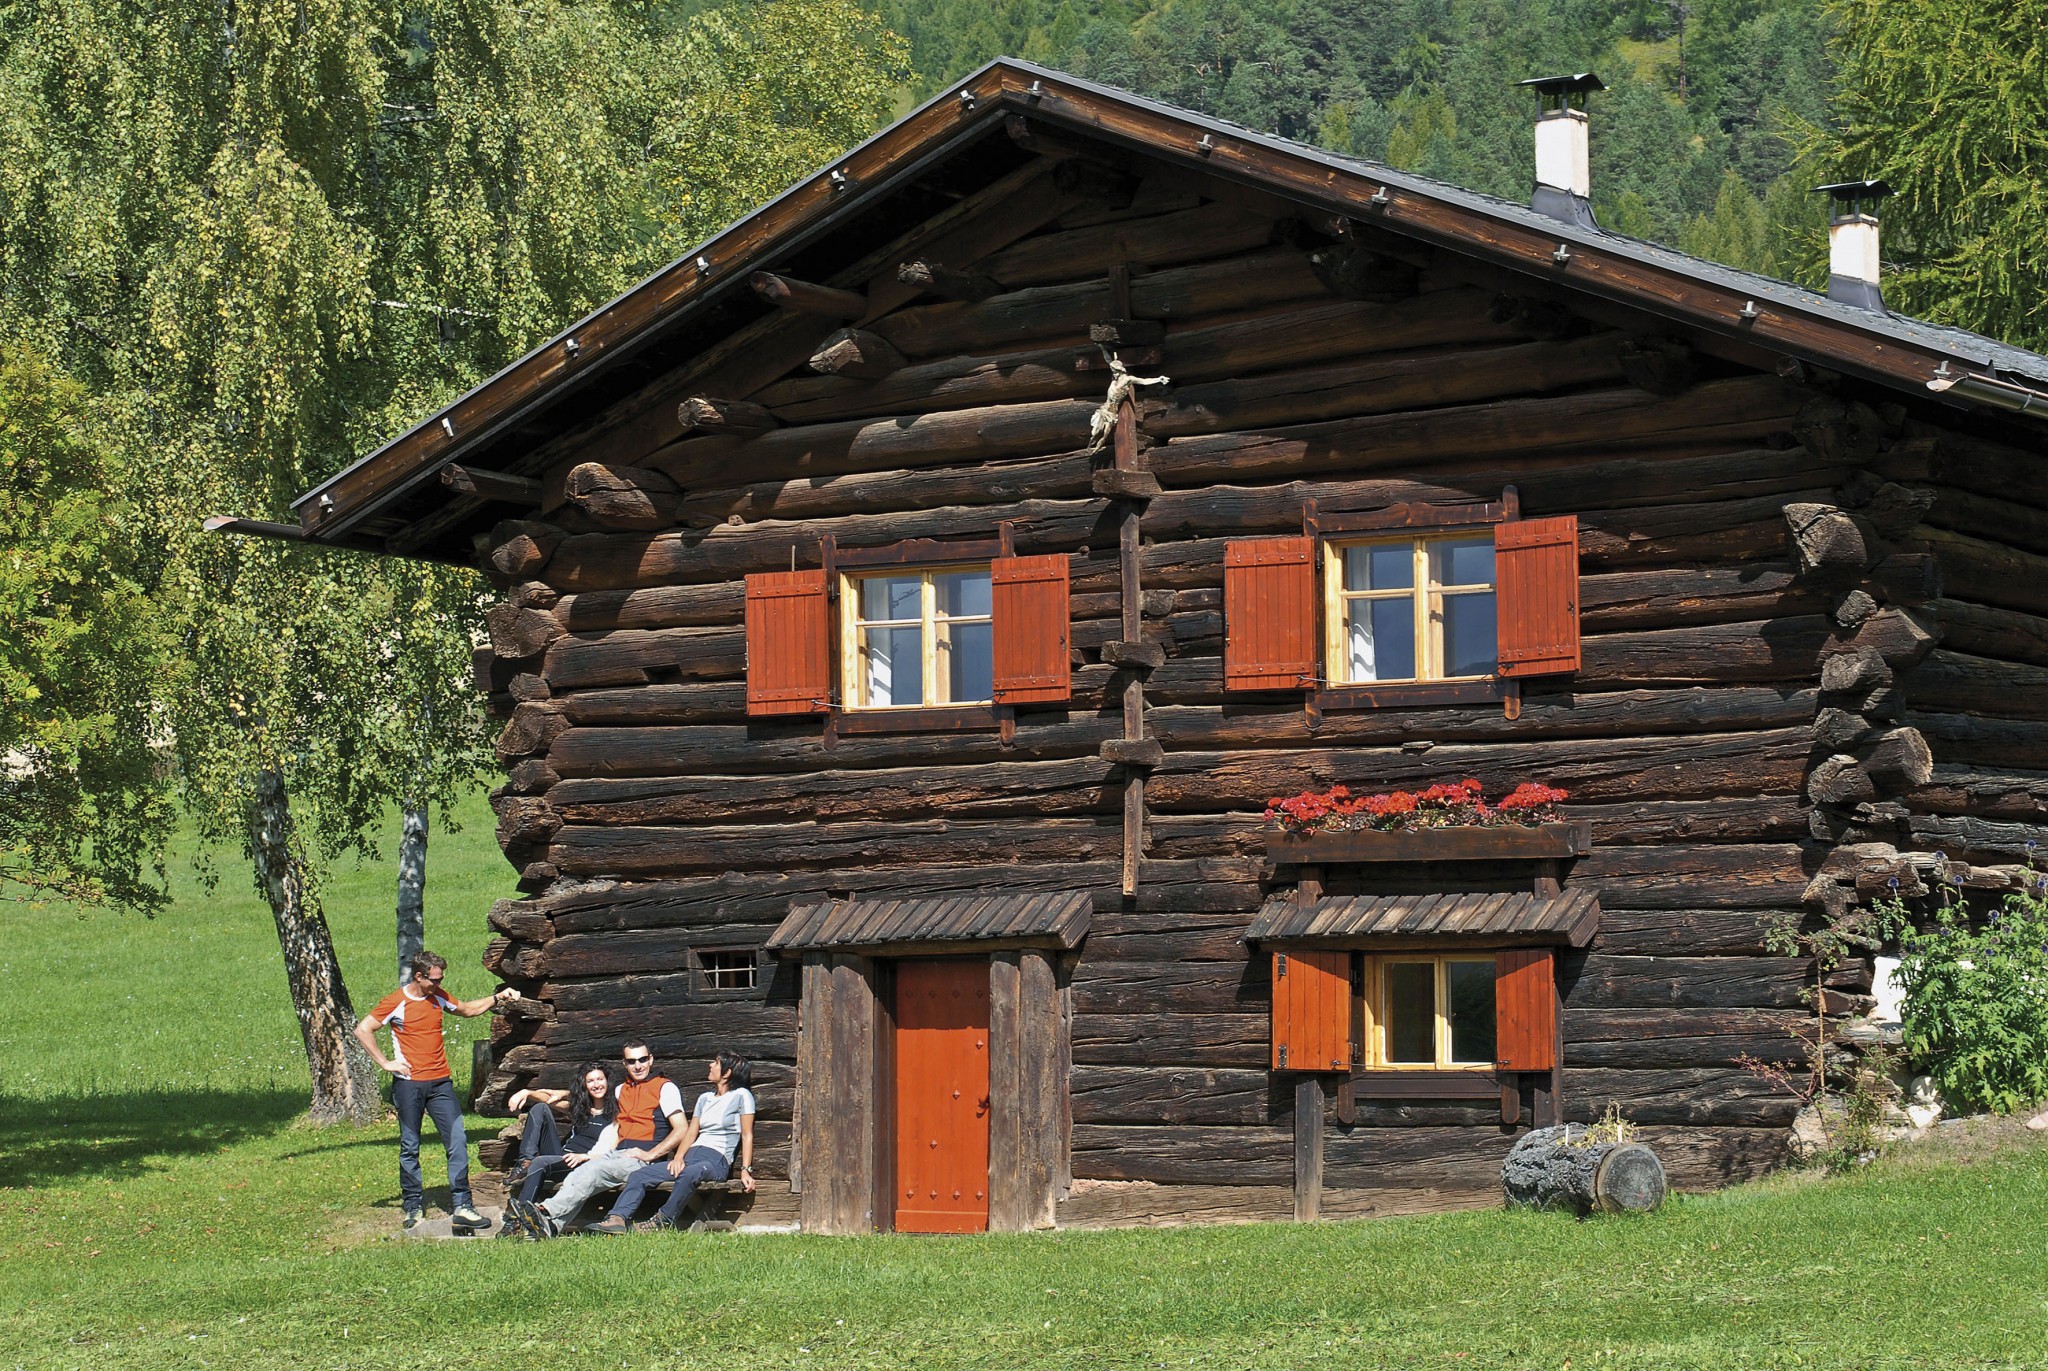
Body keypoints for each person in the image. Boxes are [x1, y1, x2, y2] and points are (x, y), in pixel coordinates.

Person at [354, 950, 518, 1231]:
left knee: (456, 1142)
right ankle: (413, 1206)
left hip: (441, 1083)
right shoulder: (396, 1001)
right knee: (410, 1146)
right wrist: (385, 1063)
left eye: (441, 979)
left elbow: (467, 1009)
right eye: (434, 979)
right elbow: (363, 1029)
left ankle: (463, 1206)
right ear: (418, 976)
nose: (438, 984)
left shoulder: (438, 997)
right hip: (409, 1085)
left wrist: (497, 998)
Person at [505, 1041, 685, 1238]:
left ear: (650, 1060)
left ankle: (542, 1211)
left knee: (593, 1170)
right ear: (624, 1064)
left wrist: (651, 1154)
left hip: (642, 1159)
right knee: (579, 1175)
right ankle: (551, 1227)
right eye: (632, 1061)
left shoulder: (664, 1088)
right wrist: (553, 1092)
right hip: (617, 1154)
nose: (638, 1065)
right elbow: (588, 1094)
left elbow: (681, 1128)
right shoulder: (621, 1090)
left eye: (642, 1059)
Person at [596, 1051, 757, 1234]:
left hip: (715, 1160)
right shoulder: (704, 1098)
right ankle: (617, 1218)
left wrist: (746, 1170)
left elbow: (746, 1135)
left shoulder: (742, 1096)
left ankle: (663, 1220)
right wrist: (679, 1157)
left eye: (716, 1063)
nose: (710, 1065)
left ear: (727, 1073)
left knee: (690, 1173)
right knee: (641, 1174)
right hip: (691, 1157)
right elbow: (690, 1132)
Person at [501, 1063, 618, 1222]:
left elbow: (613, 1148)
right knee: (540, 1108)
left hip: (583, 1163)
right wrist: (526, 1092)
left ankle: (520, 1217)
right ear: (584, 1085)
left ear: (608, 1081)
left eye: (600, 1079)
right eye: (590, 1081)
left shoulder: (617, 1114)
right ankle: (525, 1161)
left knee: (540, 1162)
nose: (596, 1084)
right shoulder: (581, 1109)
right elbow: (548, 1101)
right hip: (562, 1158)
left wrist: (585, 1156)